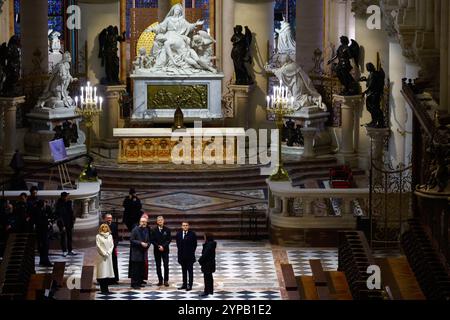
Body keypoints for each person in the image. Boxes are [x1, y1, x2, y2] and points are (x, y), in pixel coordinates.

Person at [28, 187, 53, 267]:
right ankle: (44, 260)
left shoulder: (41, 208)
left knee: (44, 245)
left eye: (36, 192)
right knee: (43, 245)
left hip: (43, 229)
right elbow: (34, 218)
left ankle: (43, 260)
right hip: (40, 229)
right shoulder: (34, 207)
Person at [360, 62, 386, 128]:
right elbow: (373, 83)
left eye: (367, 67)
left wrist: (364, 92)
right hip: (372, 94)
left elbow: (371, 86)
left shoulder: (373, 74)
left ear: (370, 67)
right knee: (371, 108)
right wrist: (366, 80)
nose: (367, 68)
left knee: (374, 108)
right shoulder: (373, 74)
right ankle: (374, 121)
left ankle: (379, 122)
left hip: (374, 94)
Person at [129, 216, 150, 289]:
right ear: (140, 222)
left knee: (141, 269)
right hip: (136, 253)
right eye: (142, 222)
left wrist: (147, 245)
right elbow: (132, 240)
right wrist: (140, 243)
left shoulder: (146, 230)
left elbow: (148, 240)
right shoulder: (135, 230)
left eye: (145, 222)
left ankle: (139, 282)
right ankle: (134, 284)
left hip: (143, 252)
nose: (144, 223)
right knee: (135, 269)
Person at [176, 221, 197, 291]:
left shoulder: (192, 234)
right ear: (181, 226)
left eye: (186, 225)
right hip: (182, 256)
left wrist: (190, 253)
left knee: (190, 271)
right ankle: (184, 284)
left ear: (188, 226)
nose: (185, 226)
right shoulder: (178, 234)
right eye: (183, 225)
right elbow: (178, 245)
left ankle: (190, 285)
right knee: (183, 271)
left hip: (190, 256)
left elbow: (195, 245)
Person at [151, 216, 171, 287]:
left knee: (166, 265)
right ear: (157, 222)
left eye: (161, 220)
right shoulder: (153, 230)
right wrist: (158, 246)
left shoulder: (167, 230)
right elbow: (152, 240)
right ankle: (160, 280)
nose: (160, 221)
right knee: (158, 266)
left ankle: (166, 280)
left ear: (163, 221)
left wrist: (163, 246)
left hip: (165, 250)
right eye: (158, 220)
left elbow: (169, 240)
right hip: (157, 250)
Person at [55, 192, 76, 257]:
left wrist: (73, 220)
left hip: (69, 222)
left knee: (69, 236)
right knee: (63, 237)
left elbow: (71, 212)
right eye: (66, 196)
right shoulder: (59, 203)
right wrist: (62, 225)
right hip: (62, 223)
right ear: (63, 197)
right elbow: (59, 215)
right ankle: (64, 251)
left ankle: (70, 250)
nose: (67, 197)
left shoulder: (69, 202)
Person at [96, 223, 115, 294]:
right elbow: (98, 246)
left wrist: (108, 253)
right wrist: (104, 253)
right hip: (101, 256)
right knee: (102, 272)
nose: (104, 228)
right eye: (103, 227)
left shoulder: (110, 236)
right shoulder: (98, 236)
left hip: (108, 256)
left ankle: (106, 289)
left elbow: (112, 245)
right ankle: (103, 289)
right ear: (101, 228)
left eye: (106, 227)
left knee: (108, 272)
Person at [103, 213, 119, 284]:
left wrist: (114, 244)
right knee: (106, 264)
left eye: (110, 218)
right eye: (108, 218)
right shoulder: (102, 226)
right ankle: (106, 280)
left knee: (113, 263)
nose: (109, 219)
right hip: (105, 249)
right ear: (105, 219)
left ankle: (114, 279)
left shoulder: (114, 225)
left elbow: (116, 236)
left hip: (112, 247)